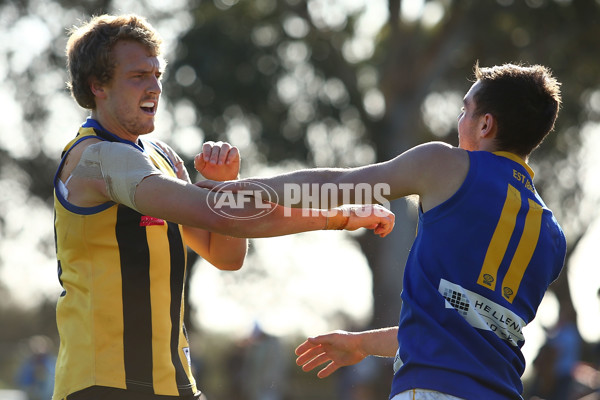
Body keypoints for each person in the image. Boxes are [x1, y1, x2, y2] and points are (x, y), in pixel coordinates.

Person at [53, 14, 395, 400]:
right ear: (97, 85)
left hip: (176, 384)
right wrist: (337, 212)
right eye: (138, 76)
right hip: (103, 385)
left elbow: (225, 252)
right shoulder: (97, 157)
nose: (154, 87)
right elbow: (219, 211)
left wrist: (224, 185)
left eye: (157, 74)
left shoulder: (161, 157)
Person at [200, 62, 567, 399]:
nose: (459, 121)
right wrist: (362, 344)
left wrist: (237, 191)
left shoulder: (446, 164)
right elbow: (459, 327)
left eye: (464, 111)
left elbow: (337, 186)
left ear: (485, 125)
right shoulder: (552, 237)